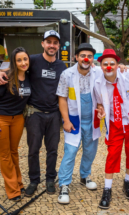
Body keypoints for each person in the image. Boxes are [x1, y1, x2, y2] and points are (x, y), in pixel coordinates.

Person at [0, 30, 67, 196]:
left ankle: (50, 179)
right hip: (34, 114)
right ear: (43, 43)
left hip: (53, 114)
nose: (52, 45)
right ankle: (34, 180)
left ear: (58, 46)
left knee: (52, 149)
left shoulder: (62, 66)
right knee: (33, 150)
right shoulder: (33, 60)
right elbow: (15, 67)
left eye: (55, 42)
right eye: (48, 42)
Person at [94, 49, 129, 209]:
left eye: (112, 63)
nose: (109, 67)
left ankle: (127, 183)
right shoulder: (97, 83)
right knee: (112, 155)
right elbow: (100, 103)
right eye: (105, 64)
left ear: (117, 65)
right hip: (114, 122)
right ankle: (107, 188)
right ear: (101, 66)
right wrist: (101, 109)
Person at [56, 43, 103, 204]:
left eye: (90, 56)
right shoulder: (67, 74)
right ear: (76, 57)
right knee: (70, 152)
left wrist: (123, 67)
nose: (86, 58)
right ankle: (64, 184)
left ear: (92, 59)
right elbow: (62, 98)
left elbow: (112, 79)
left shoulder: (98, 72)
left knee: (90, 151)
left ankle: (85, 176)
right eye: (83, 55)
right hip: (74, 119)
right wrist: (66, 120)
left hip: (92, 120)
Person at [0, 47, 31, 202]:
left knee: (14, 152)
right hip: (2, 119)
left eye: (25, 59)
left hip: (18, 119)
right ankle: (13, 190)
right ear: (14, 62)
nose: (23, 62)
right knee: (4, 154)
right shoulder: (5, 78)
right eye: (19, 60)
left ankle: (18, 183)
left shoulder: (29, 77)